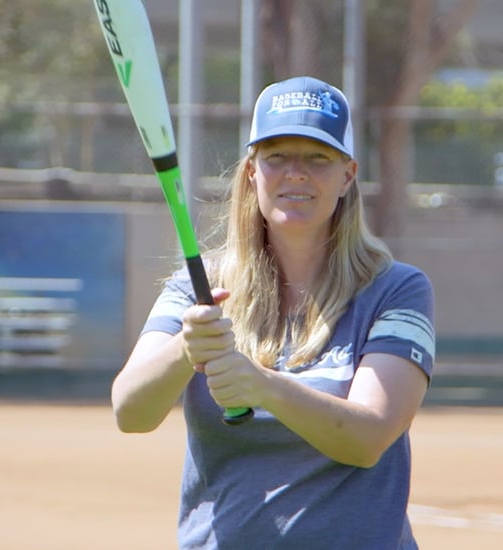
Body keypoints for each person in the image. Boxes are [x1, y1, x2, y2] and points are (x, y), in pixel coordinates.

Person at [112, 76, 435, 549]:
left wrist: (261, 384)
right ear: (251, 172)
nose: (295, 173)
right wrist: (186, 348)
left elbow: (367, 439)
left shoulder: (395, 290)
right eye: (277, 156)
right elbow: (130, 412)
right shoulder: (197, 289)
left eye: (318, 158)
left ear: (348, 175)